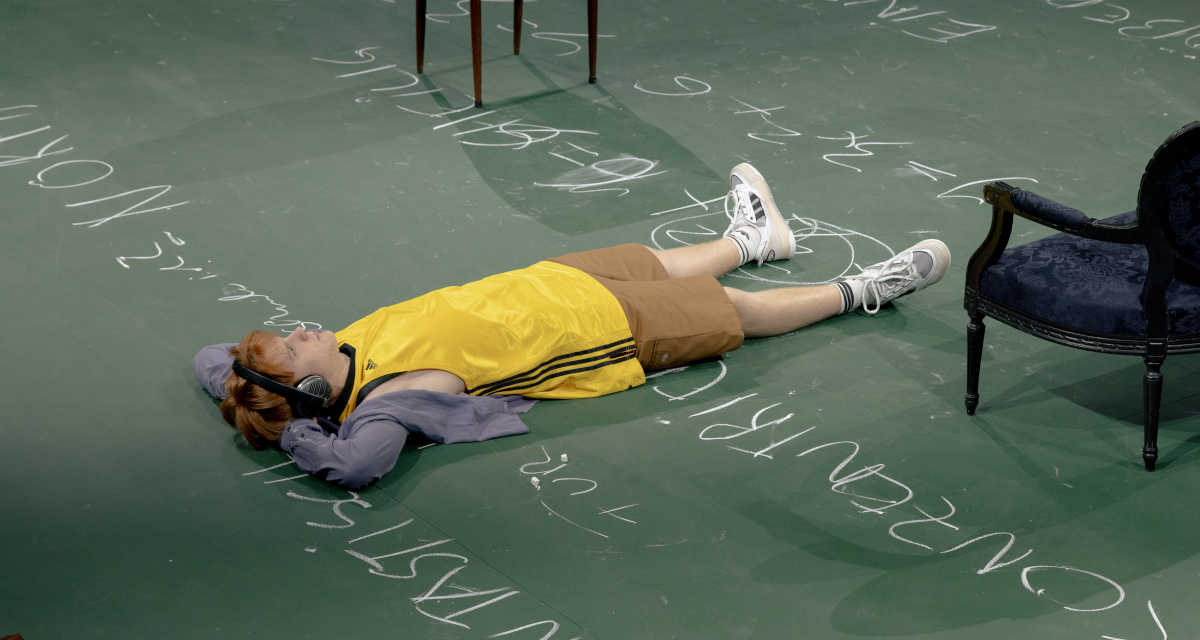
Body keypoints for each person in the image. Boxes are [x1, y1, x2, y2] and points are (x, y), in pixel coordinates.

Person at [194, 163, 950, 489]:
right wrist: (295, 435)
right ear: (313, 388)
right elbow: (359, 464)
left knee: (658, 261)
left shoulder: (334, 355)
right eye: (293, 347)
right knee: (737, 312)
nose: (300, 330)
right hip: (603, 335)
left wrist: (247, 386)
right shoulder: (390, 401)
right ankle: (863, 289)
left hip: (547, 283)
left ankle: (755, 240)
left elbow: (209, 359)